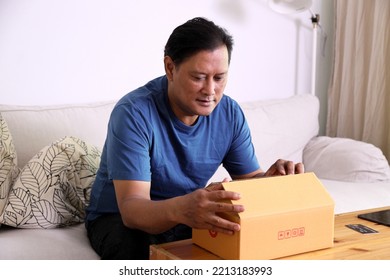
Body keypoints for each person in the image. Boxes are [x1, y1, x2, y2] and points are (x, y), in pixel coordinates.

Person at [85, 17, 304, 260]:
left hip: (188, 213)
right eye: (199, 77)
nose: (210, 91)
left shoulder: (229, 113)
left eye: (219, 78)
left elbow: (249, 178)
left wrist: (271, 182)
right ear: (170, 68)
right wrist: (184, 208)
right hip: (121, 219)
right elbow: (132, 209)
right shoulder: (134, 113)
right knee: (135, 247)